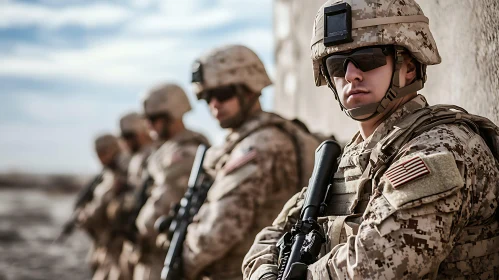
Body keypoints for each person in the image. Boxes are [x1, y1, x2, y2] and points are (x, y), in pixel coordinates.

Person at [243, 0, 499, 279]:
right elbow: (265, 242)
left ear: (409, 67)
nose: (351, 74)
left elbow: (378, 264)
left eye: (368, 59)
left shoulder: (440, 148)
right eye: (337, 65)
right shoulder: (351, 158)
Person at [177, 44, 321, 280]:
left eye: (224, 93)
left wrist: (183, 261)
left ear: (250, 88)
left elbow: (216, 234)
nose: (214, 104)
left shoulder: (259, 145)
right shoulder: (255, 137)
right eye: (207, 97)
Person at [134, 83, 209, 280]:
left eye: (152, 119)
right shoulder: (165, 149)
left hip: (165, 250)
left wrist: (141, 228)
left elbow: (161, 205)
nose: (147, 125)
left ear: (171, 116)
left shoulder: (186, 151)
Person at [77, 134, 131, 280]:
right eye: (98, 154)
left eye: (103, 152)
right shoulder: (108, 174)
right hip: (106, 244)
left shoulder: (125, 169)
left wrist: (86, 215)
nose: (100, 158)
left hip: (120, 245)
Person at [118, 112, 157, 280]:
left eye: (128, 136)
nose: (125, 142)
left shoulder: (154, 154)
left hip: (151, 242)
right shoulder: (135, 158)